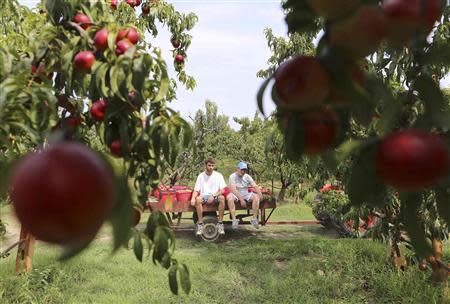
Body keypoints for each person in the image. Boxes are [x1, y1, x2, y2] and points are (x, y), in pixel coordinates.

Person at [190, 158, 226, 236]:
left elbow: (223, 190)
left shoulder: (218, 175)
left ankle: (220, 223)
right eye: (209, 165)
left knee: (222, 198)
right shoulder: (201, 176)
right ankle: (200, 224)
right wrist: (193, 198)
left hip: (215, 195)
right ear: (205, 166)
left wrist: (213, 195)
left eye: (212, 165)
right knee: (198, 199)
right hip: (204, 196)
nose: (211, 167)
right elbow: (196, 190)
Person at [227, 161, 263, 229]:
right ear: (237, 169)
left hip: (245, 193)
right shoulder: (232, 176)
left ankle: (254, 219)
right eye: (242, 169)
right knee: (229, 198)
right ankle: (234, 220)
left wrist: (260, 194)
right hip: (235, 193)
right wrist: (241, 200)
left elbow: (255, 186)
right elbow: (234, 190)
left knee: (256, 197)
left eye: (244, 170)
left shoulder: (247, 176)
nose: (243, 171)